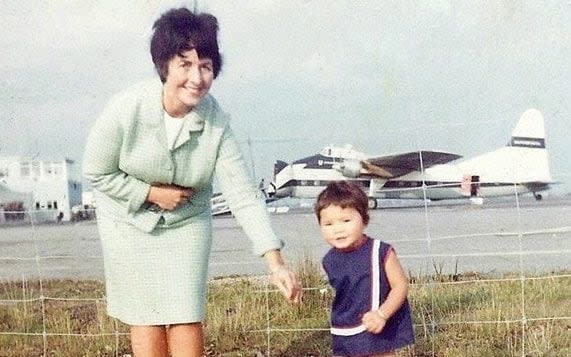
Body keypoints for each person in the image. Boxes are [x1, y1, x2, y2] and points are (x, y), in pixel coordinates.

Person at [83, 8, 302, 357]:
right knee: (146, 317)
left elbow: (243, 195)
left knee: (186, 312)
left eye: (206, 66)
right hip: (127, 221)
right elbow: (97, 171)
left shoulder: (217, 122)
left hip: (187, 223)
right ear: (164, 66)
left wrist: (275, 262)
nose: (196, 78)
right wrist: (149, 193)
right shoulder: (125, 108)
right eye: (185, 64)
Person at [315, 181, 414, 357]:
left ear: (364, 220)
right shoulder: (328, 260)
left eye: (346, 220)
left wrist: (382, 314)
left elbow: (400, 286)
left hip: (378, 325)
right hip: (343, 329)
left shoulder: (380, 251)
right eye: (328, 224)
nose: (338, 229)